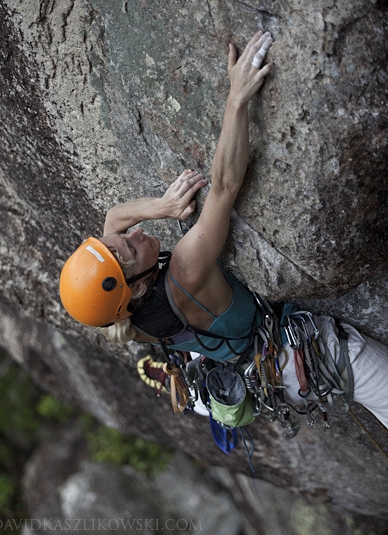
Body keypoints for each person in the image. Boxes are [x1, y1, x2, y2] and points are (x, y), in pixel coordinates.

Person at [60, 31, 388, 430]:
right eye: (130, 250)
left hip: (225, 349)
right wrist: (237, 100)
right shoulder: (186, 269)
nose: (133, 235)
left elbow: (114, 218)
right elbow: (226, 185)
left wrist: (165, 207)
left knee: (201, 345)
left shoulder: (123, 319)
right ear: (140, 287)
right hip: (288, 359)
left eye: (118, 242)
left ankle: (192, 376)